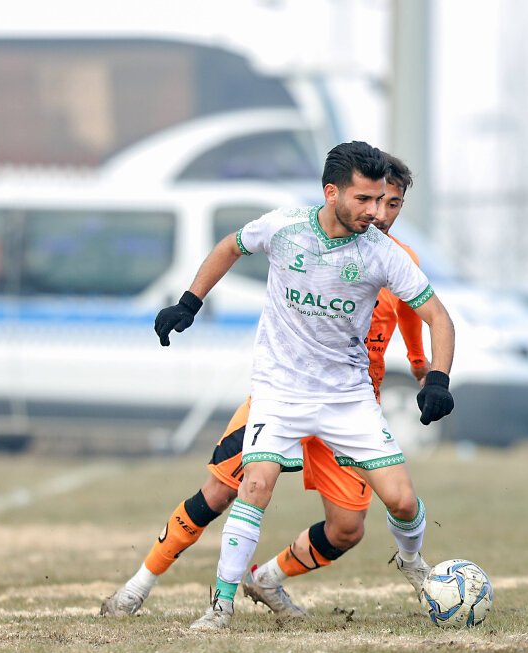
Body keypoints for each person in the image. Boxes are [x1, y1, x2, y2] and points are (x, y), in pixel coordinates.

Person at [100, 154, 433, 620]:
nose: (380, 213)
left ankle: (266, 579)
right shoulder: (303, 235)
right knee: (220, 493)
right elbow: (237, 247)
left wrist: (422, 369)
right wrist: (189, 302)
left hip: (348, 404)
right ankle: (138, 586)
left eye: (392, 204)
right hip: (282, 394)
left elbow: (417, 316)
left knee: (347, 529)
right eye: (374, 200)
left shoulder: (396, 261)